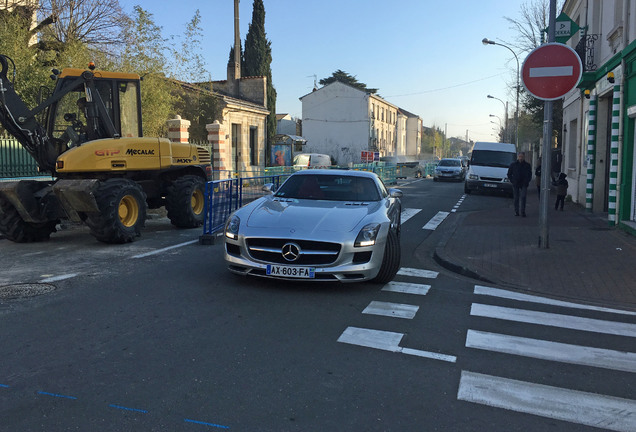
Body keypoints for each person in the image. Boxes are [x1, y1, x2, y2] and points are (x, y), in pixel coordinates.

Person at [507, 151, 532, 217]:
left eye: (522, 157)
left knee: (523, 197)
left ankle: (523, 211)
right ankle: (516, 211)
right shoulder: (513, 165)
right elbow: (509, 174)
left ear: (524, 157)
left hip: (524, 183)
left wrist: (527, 181)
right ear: (518, 157)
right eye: (520, 156)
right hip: (516, 183)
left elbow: (530, 174)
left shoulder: (527, 165)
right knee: (516, 198)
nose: (521, 158)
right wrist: (512, 180)